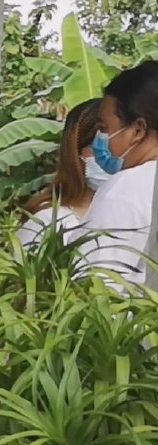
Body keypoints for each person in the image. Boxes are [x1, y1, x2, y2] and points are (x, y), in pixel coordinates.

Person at [84, 61, 158, 286]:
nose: (100, 139)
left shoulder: (127, 189)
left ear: (137, 130)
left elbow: (96, 287)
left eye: (104, 128)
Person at [19, 99, 104, 244]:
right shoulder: (47, 221)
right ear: (75, 151)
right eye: (100, 147)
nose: (112, 157)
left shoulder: (134, 213)